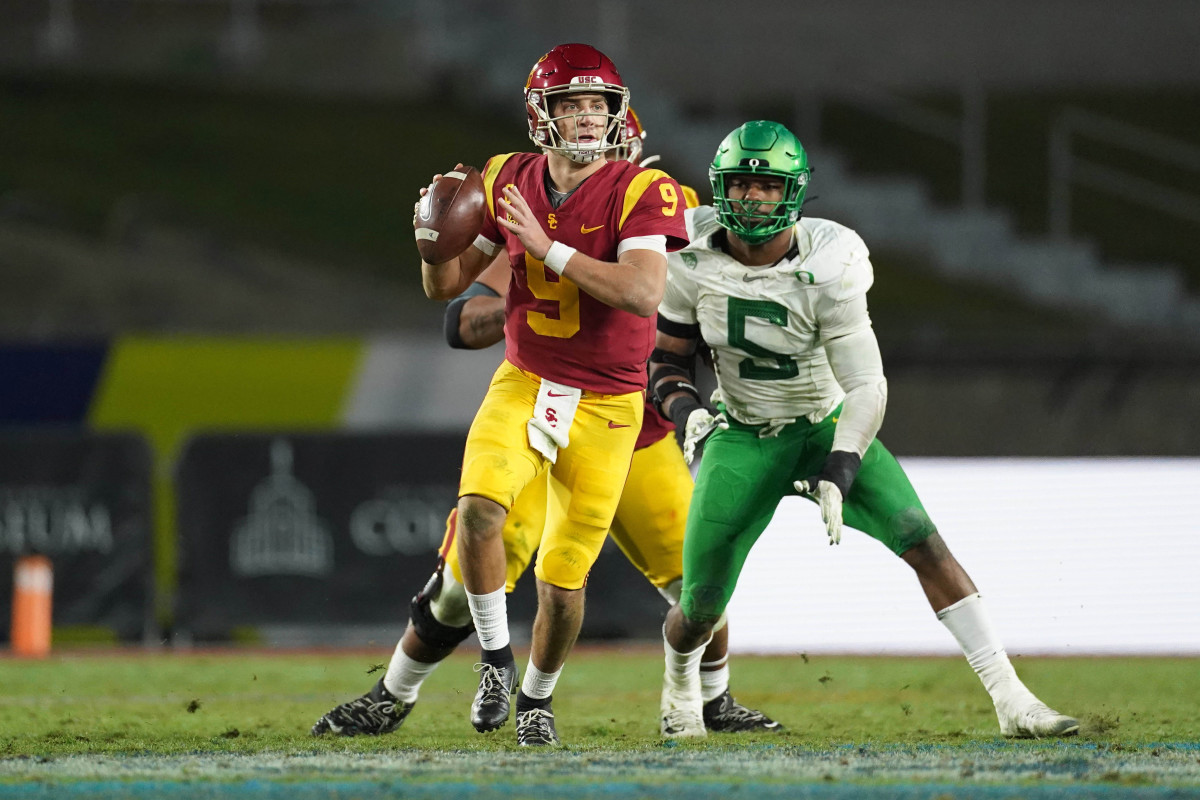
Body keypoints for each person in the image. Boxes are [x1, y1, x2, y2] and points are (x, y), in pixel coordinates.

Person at [310, 112, 778, 742]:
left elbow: (710, 308)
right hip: (546, 409)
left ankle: (715, 699)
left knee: (700, 580)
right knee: (463, 580)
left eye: (617, 145)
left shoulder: (671, 211)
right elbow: (459, 319)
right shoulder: (544, 207)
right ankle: (393, 694)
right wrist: (543, 285)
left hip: (634, 427)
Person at [650, 120, 1079, 740]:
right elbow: (666, 361)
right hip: (743, 433)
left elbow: (867, 386)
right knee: (699, 604)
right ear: (720, 188)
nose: (752, 199)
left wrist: (841, 466)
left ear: (792, 193)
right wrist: (688, 412)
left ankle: (1013, 700)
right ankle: (682, 689)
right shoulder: (686, 256)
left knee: (922, 540)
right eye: (741, 184)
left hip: (827, 421)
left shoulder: (833, 258)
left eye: (767, 186)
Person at [416, 43, 689, 747]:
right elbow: (447, 290)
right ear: (543, 114)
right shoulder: (508, 175)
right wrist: (430, 240)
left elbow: (642, 291)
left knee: (563, 584)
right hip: (526, 380)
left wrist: (545, 247)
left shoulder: (640, 188)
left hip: (608, 402)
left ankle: (537, 698)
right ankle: (495, 663)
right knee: (478, 511)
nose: (590, 116)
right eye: (573, 103)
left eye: (599, 103)